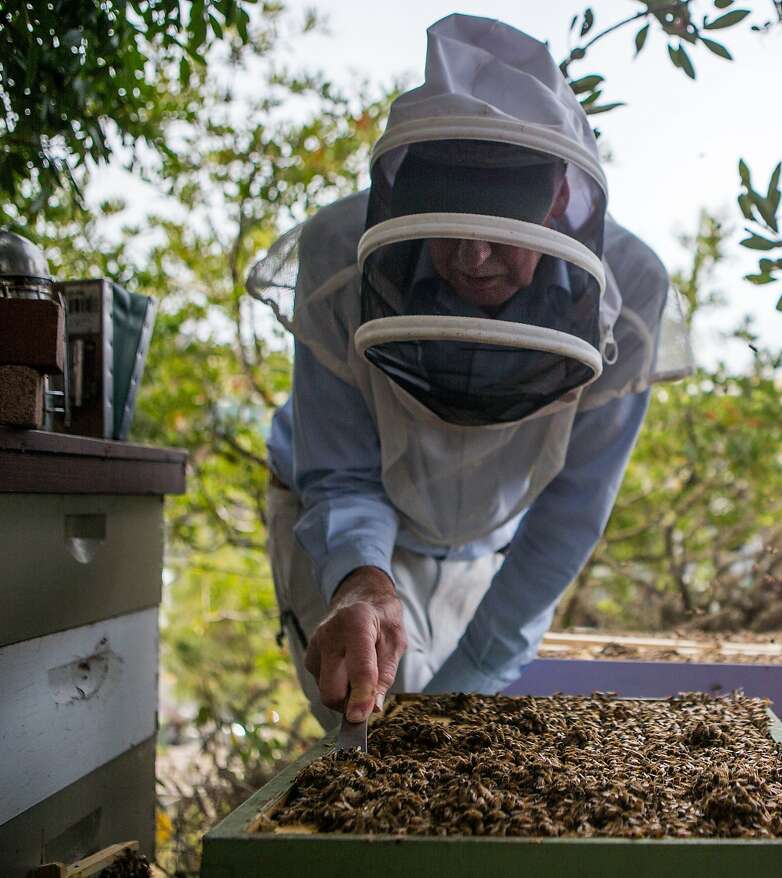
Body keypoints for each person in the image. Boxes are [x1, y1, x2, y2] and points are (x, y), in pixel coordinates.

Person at [255, 13, 690, 730]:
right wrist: (360, 581)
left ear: (556, 199)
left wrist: (476, 675)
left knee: (449, 730)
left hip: (486, 542)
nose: (472, 258)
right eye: (448, 223)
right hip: (333, 520)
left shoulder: (630, 293)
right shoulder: (340, 253)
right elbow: (340, 470)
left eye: (499, 228)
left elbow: (573, 508)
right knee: (360, 727)